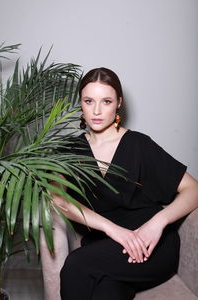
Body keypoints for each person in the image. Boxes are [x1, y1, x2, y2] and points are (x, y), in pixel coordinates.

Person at [51, 67, 198, 300]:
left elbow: (194, 189)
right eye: (89, 101)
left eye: (106, 101)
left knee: (76, 265)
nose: (97, 110)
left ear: (118, 103)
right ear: (80, 103)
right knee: (106, 292)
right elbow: (58, 200)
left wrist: (157, 223)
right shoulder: (68, 151)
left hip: (152, 245)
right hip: (104, 246)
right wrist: (112, 229)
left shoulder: (139, 144)